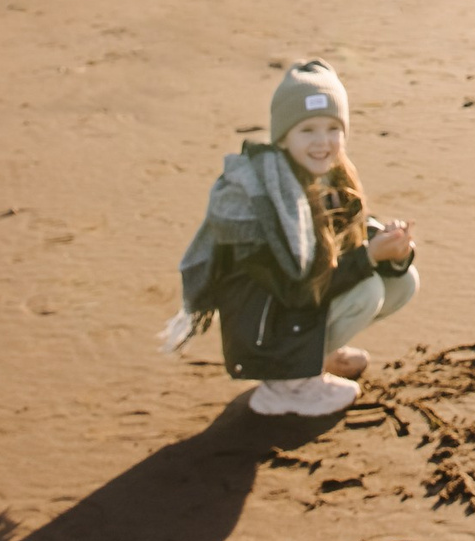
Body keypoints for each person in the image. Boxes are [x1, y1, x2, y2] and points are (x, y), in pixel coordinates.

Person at [163, 59, 421, 418]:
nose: (322, 142)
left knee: (401, 280)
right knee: (368, 290)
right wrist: (369, 256)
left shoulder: (331, 177)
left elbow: (347, 241)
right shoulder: (262, 198)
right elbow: (298, 290)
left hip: (295, 313)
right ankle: (285, 387)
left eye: (333, 128)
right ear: (283, 136)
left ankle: (314, 357)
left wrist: (392, 248)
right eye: (307, 130)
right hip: (262, 334)